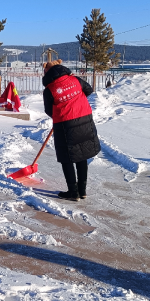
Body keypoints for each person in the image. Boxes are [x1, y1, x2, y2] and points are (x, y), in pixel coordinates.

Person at [42, 59, 101, 201]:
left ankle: (73, 192)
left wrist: (62, 112)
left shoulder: (49, 89)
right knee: (82, 155)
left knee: (67, 158)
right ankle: (82, 191)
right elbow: (89, 90)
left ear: (48, 73)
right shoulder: (75, 80)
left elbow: (49, 110)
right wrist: (76, 101)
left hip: (64, 125)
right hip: (85, 120)